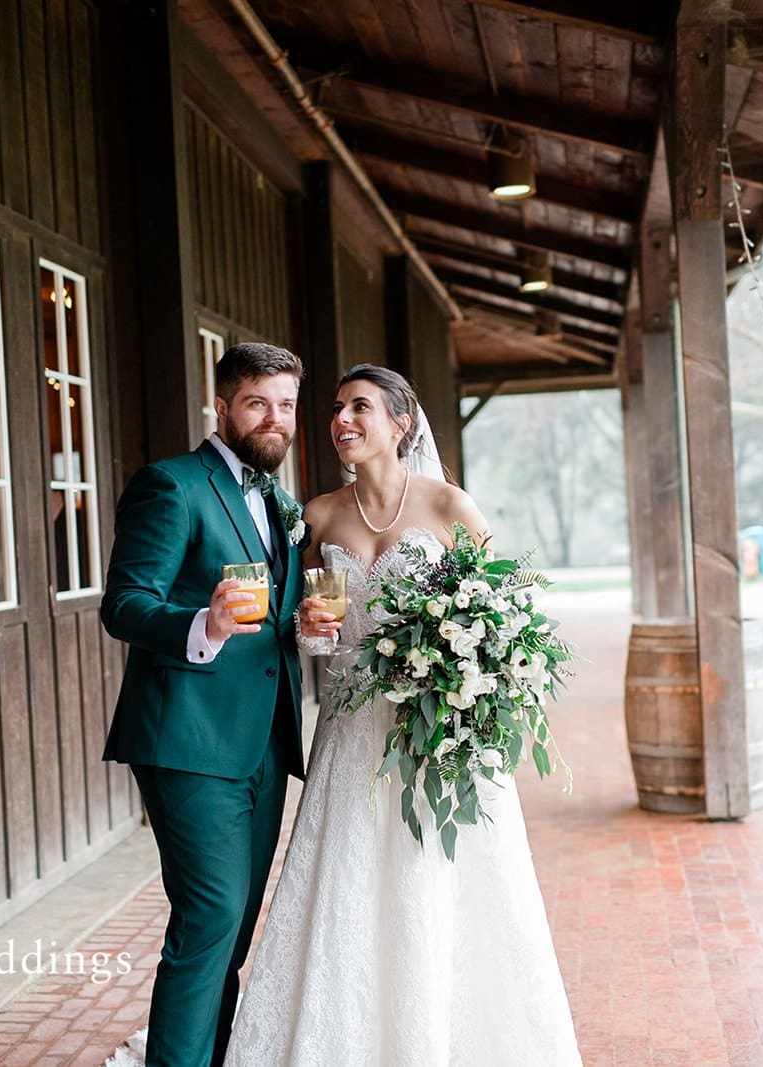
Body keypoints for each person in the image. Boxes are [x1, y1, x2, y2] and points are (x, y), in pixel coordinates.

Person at [221, 364, 581, 1065]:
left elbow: (508, 613)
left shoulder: (449, 507)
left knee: (434, 879)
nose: (342, 419)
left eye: (361, 406)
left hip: (434, 730)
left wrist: (464, 674)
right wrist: (307, 627)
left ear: (401, 422)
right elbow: (301, 623)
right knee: (347, 883)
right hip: (350, 728)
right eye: (335, 408)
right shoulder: (318, 514)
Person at [101, 342, 307, 1067]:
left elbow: (274, 621)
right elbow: (124, 604)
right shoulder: (172, 485)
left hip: (265, 743)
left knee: (235, 925)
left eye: (285, 404)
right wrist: (204, 624)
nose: (273, 418)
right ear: (221, 405)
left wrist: (304, 626)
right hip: (187, 738)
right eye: (257, 401)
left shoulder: (281, 503)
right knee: (210, 915)